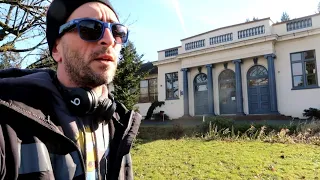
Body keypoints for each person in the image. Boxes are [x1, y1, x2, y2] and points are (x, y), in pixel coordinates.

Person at [0, 0, 141, 179]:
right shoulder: (8, 124)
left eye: (118, 32)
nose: (109, 39)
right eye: (90, 28)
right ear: (57, 49)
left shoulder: (119, 124)